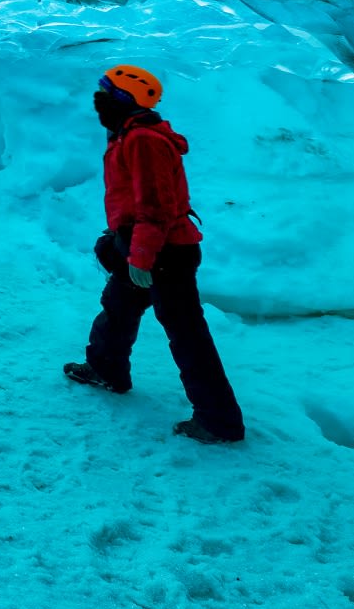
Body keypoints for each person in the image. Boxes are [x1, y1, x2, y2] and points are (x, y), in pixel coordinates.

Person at [63, 65, 245, 444]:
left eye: (106, 92)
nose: (98, 99)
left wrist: (141, 258)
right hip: (144, 246)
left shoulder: (143, 140)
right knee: (118, 307)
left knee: (187, 334)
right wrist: (121, 241)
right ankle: (105, 370)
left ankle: (219, 421)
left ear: (124, 99)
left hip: (165, 252)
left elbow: (157, 205)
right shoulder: (127, 134)